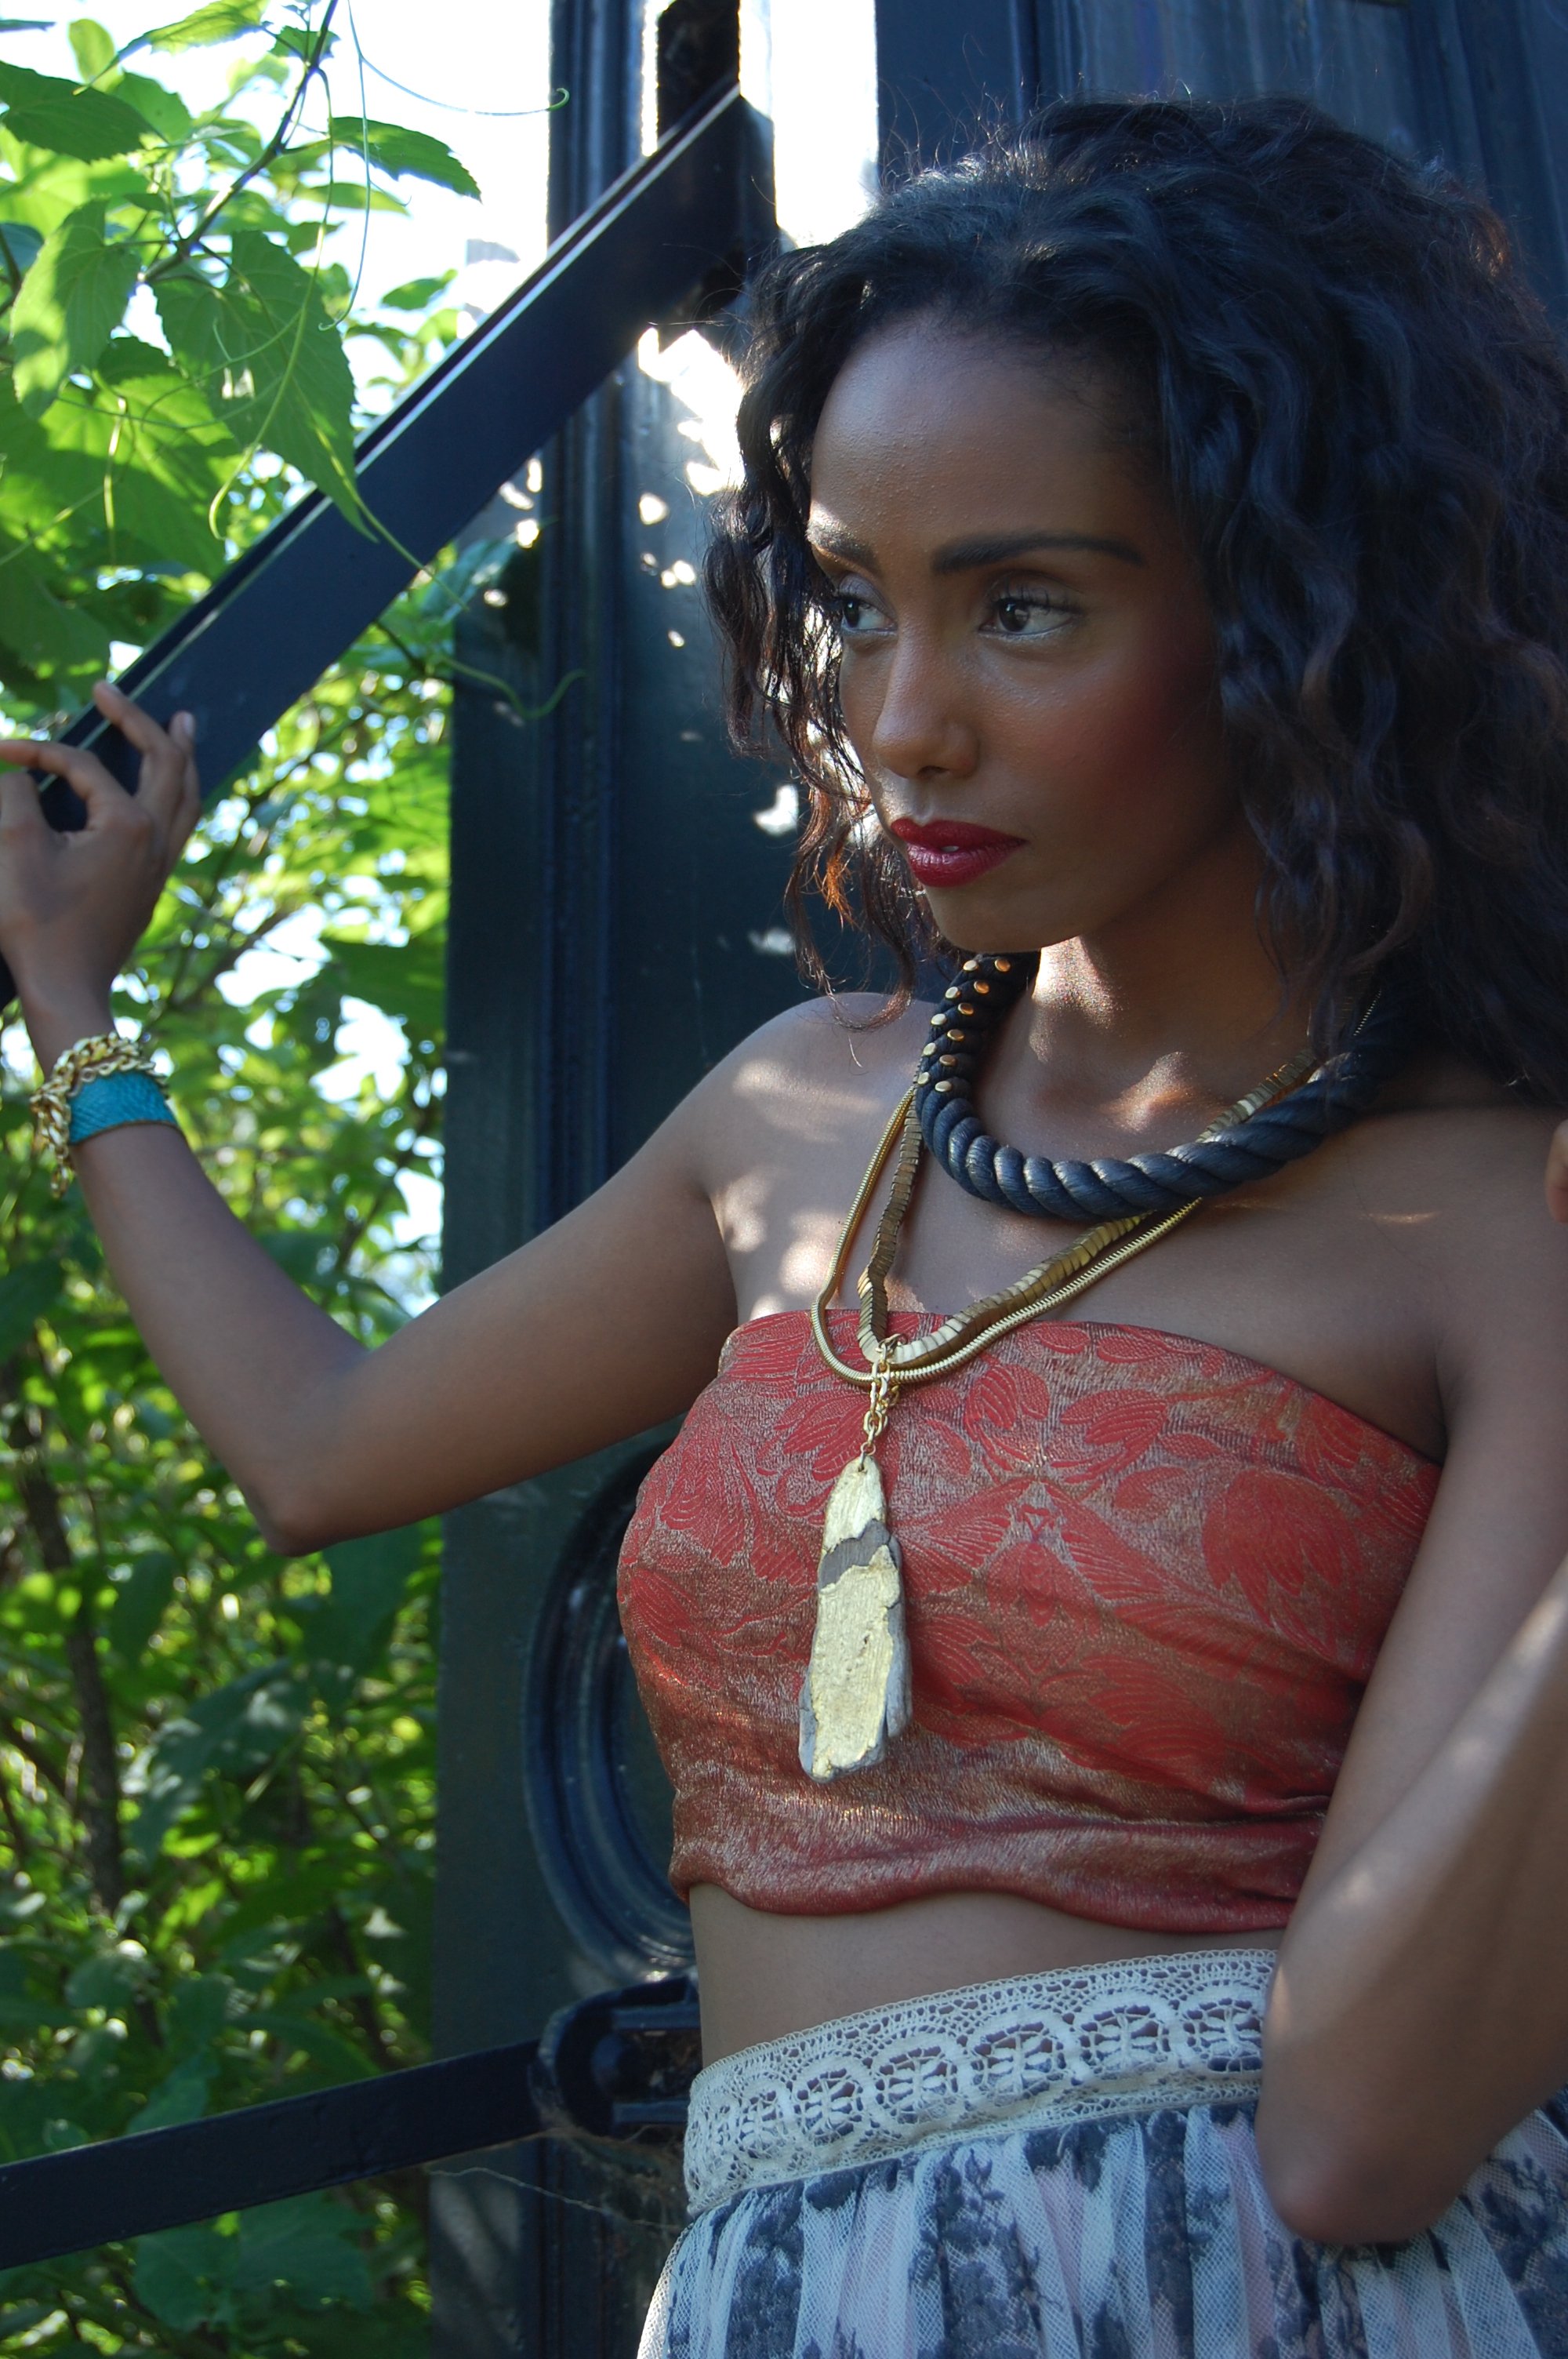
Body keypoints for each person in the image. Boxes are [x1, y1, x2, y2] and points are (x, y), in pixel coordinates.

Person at [5, 89, 1568, 2357]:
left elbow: (1358, 2140)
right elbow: (318, 1446)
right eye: (855, 604)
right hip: (775, 2289)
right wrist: (78, 1011)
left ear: (1302, 606)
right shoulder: (802, 1117)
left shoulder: (1495, 1220)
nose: (903, 723)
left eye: (1025, 608)